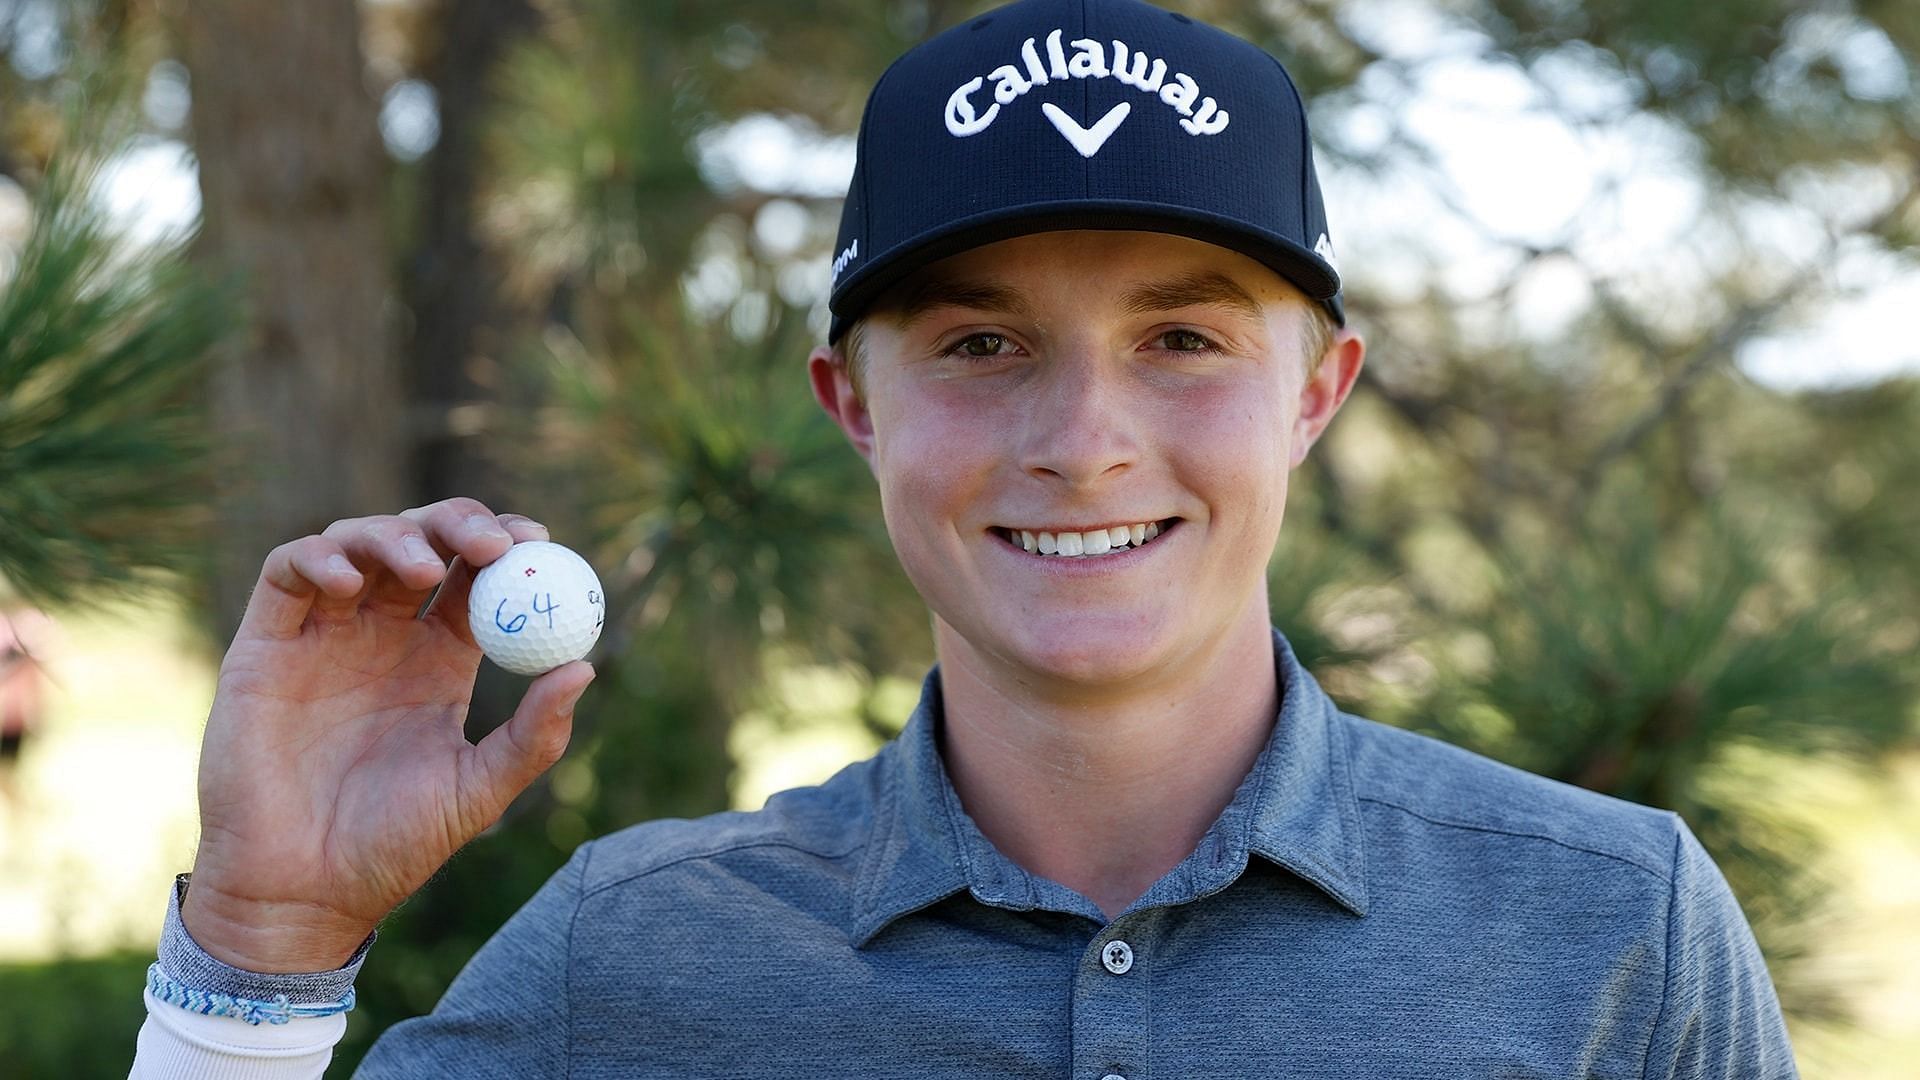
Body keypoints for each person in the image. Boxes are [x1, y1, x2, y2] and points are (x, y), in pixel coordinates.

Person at [130, 1, 1798, 1076]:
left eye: (1185, 339)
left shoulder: (1613, 931)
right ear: (854, 406)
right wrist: (261, 946)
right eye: (980, 344)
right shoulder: (630, 959)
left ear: (1318, 391)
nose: (1083, 442)